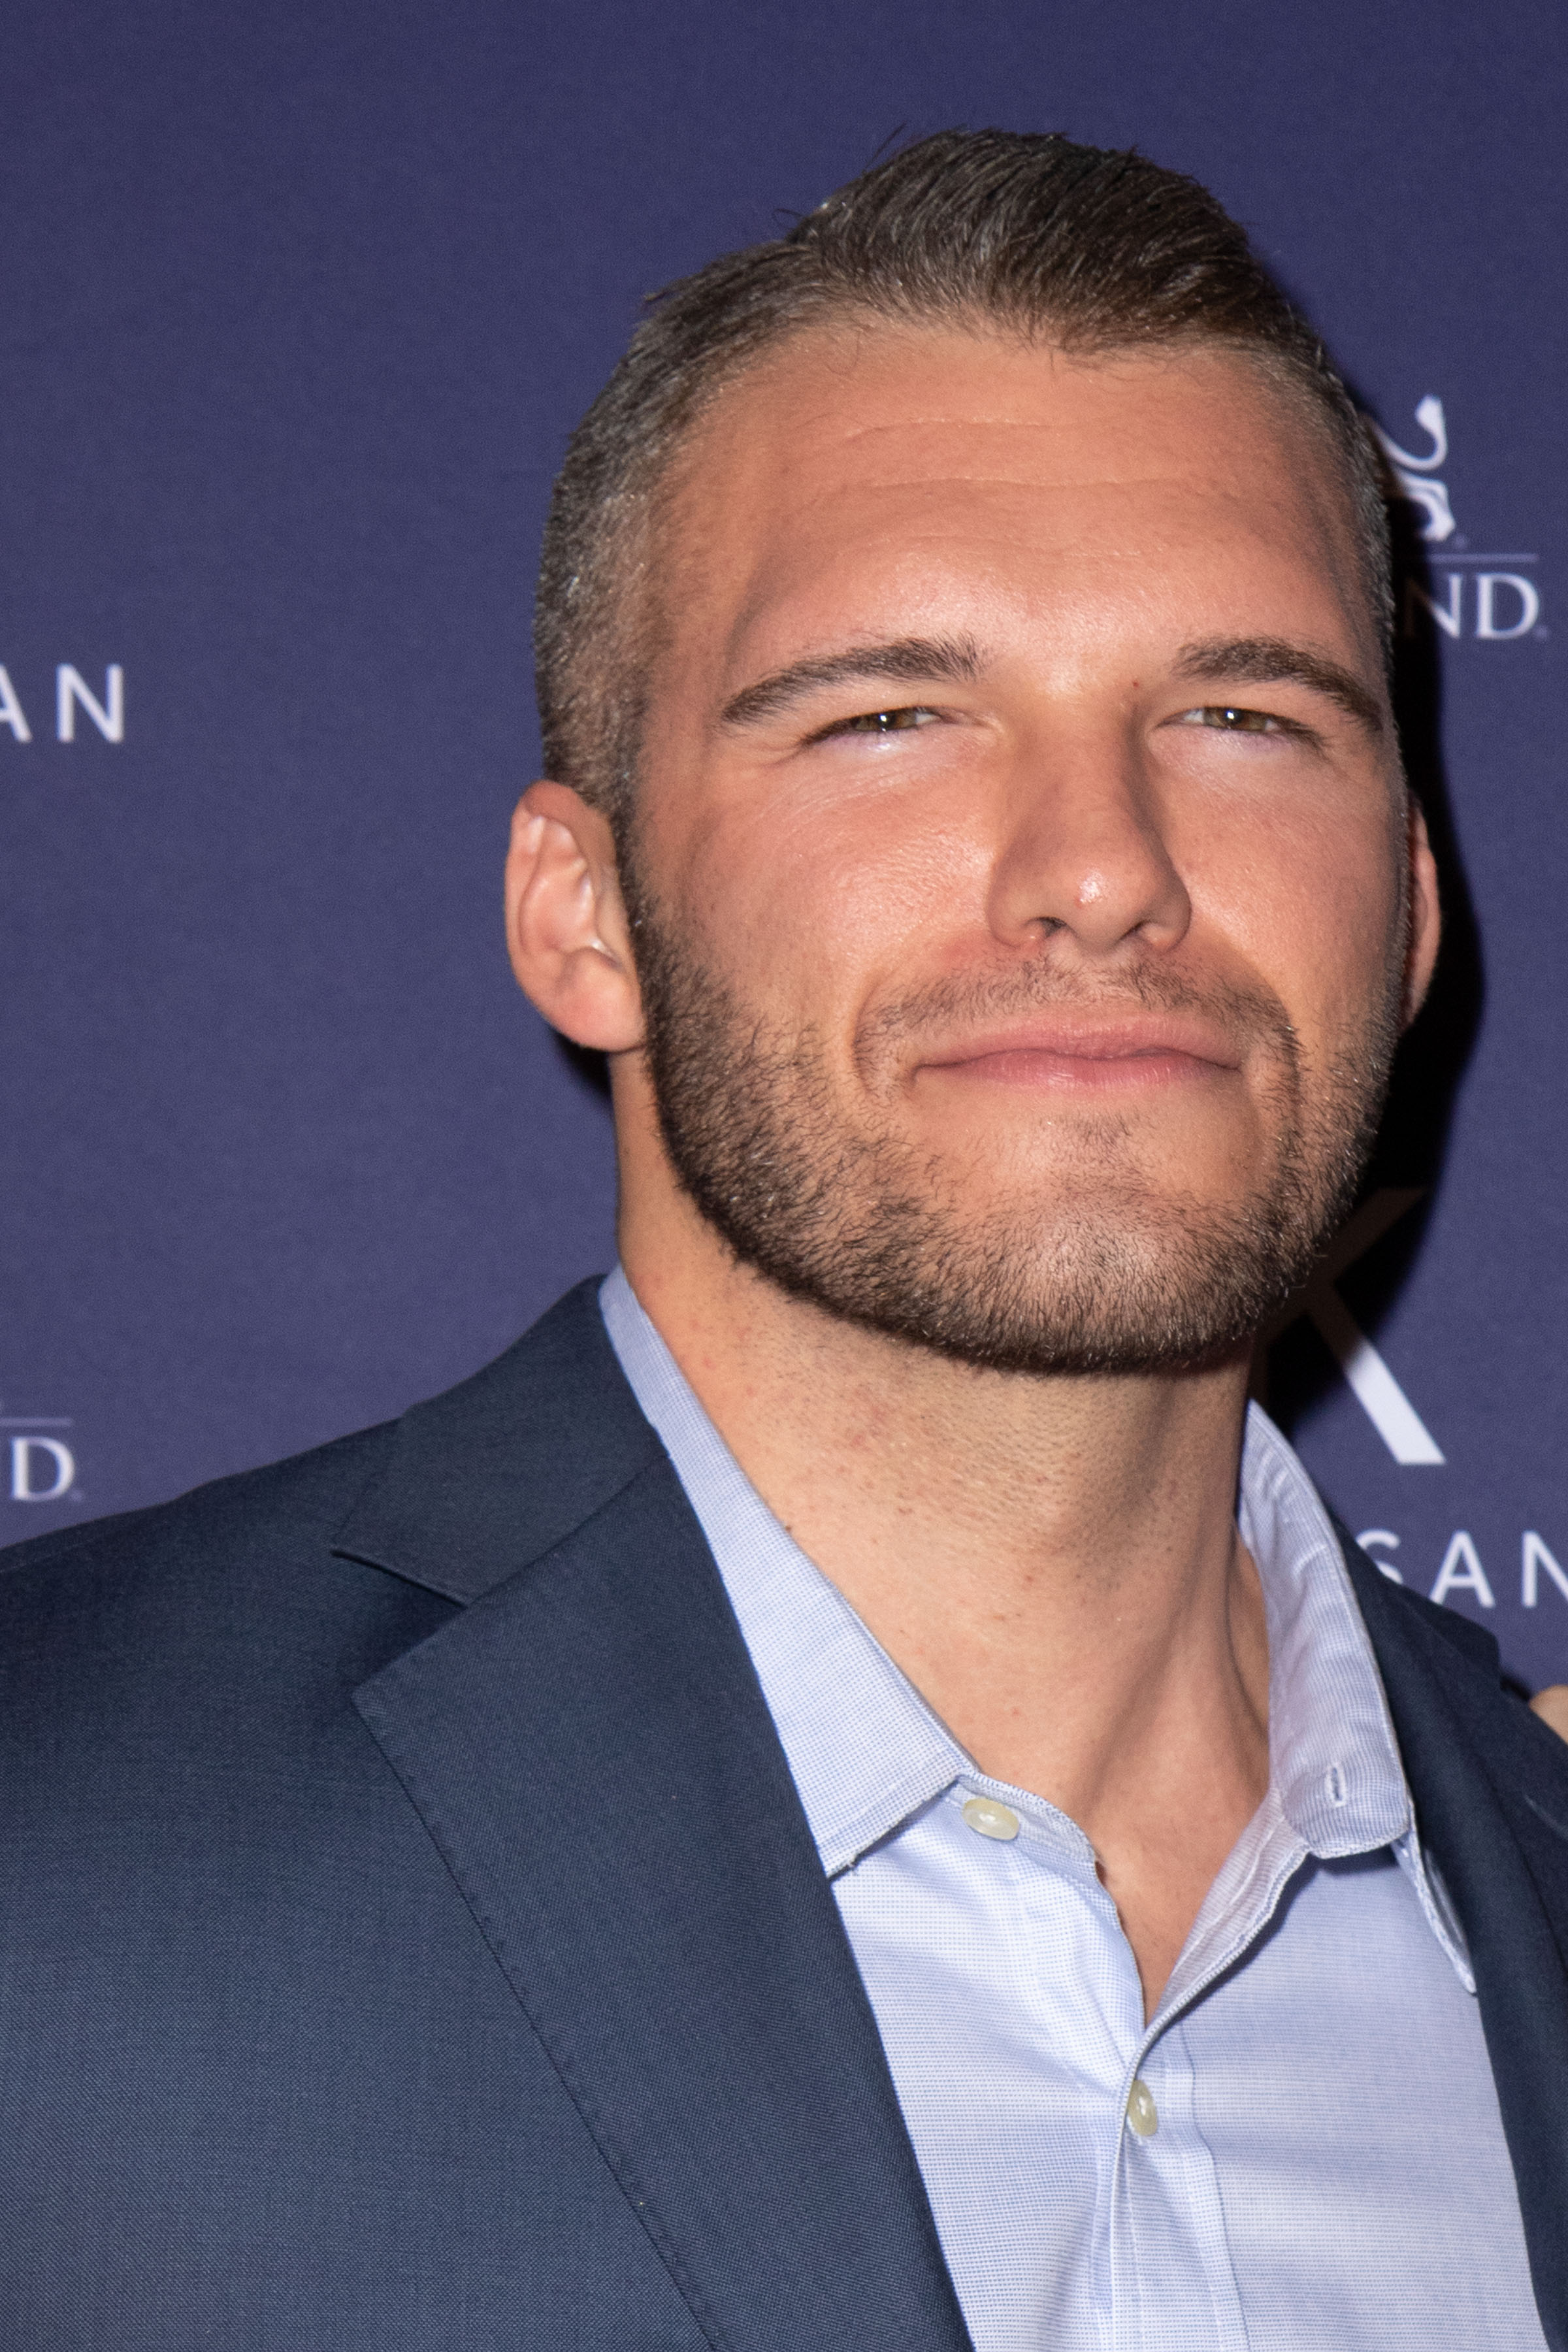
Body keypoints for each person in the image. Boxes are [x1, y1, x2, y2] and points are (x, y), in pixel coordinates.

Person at [3, 131, 1567, 2352]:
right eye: (892, 717)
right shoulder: (44, 1833)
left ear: (1407, 910)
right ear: (586, 911)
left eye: (1239, 715)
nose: (1103, 864)